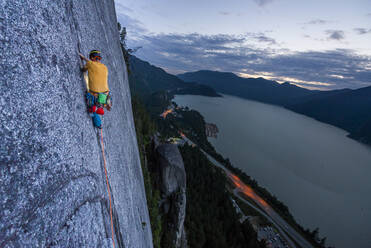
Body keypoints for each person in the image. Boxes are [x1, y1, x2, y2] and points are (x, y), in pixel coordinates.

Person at [79, 50, 112, 129]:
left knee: (93, 108)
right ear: (99, 58)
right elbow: (93, 64)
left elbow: (83, 69)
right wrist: (86, 59)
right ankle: (104, 105)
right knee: (99, 105)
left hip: (94, 95)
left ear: (92, 57)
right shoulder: (105, 67)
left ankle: (97, 122)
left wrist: (84, 59)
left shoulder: (89, 64)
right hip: (105, 95)